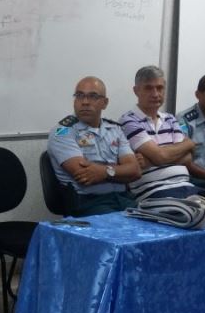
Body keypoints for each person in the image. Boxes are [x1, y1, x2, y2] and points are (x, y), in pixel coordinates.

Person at [47, 76, 140, 216]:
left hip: (123, 199)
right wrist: (121, 170)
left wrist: (103, 172)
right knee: (122, 227)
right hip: (88, 203)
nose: (85, 102)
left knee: (155, 223)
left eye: (93, 96)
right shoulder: (62, 132)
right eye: (79, 95)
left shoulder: (115, 129)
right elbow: (85, 176)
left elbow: (135, 171)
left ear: (105, 103)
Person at [119, 66, 198, 201]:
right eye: (149, 88)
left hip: (186, 186)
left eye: (160, 88)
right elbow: (162, 156)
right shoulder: (128, 121)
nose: (155, 94)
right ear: (136, 91)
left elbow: (188, 158)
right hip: (153, 191)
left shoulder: (170, 118)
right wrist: (189, 144)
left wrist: (149, 161)